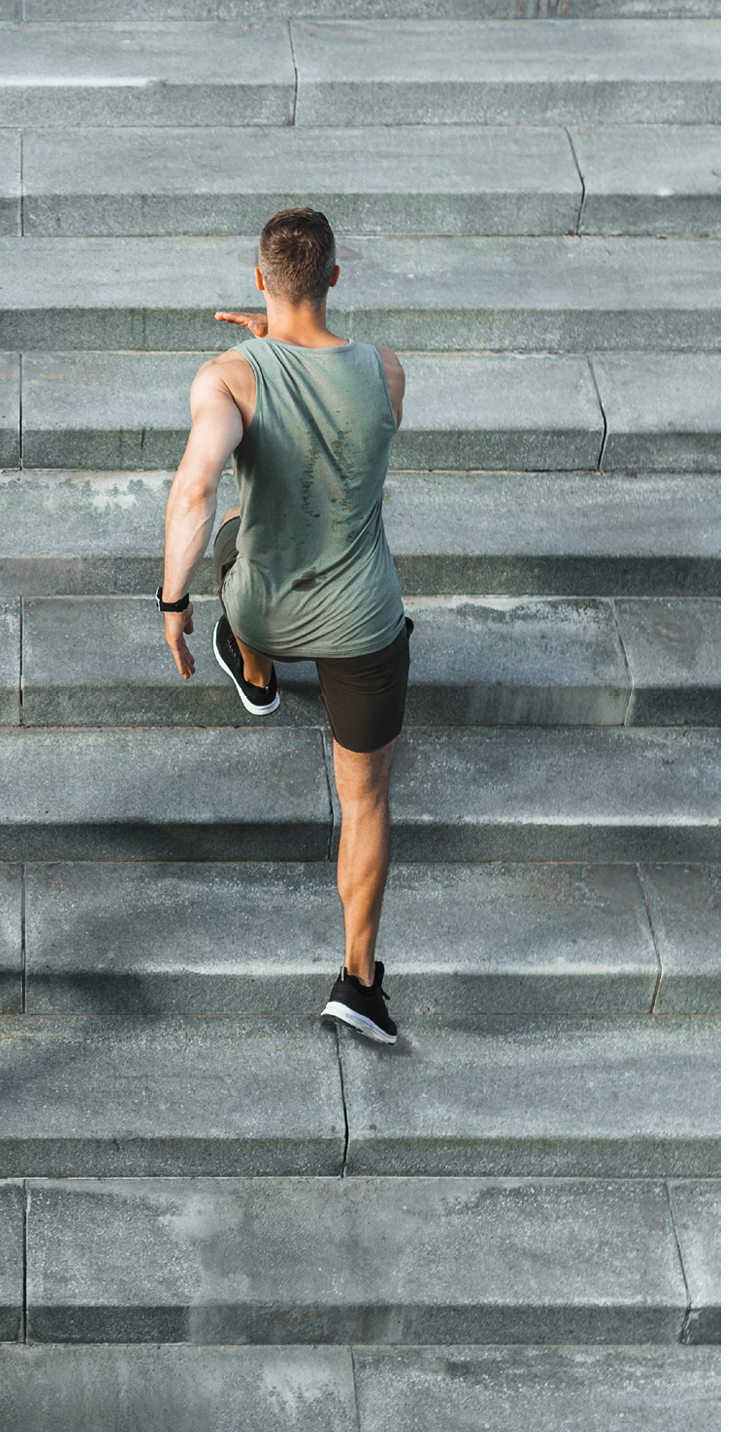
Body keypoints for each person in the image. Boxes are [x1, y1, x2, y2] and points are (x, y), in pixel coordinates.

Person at [156, 204, 412, 1046]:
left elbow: (197, 488)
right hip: (362, 623)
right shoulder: (387, 370)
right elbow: (334, 421)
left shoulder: (228, 377)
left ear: (260, 279)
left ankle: (257, 673)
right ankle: (358, 981)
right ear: (333, 276)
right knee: (364, 800)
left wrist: (172, 602)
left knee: (236, 531)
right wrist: (284, 343)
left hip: (263, 606)